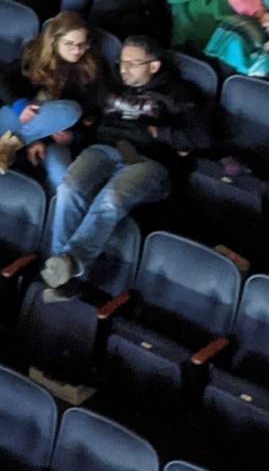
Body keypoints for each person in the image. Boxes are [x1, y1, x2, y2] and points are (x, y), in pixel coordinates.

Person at [41, 34, 209, 291]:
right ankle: (62, 268)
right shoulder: (110, 84)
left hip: (149, 161)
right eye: (122, 62)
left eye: (133, 63)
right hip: (106, 149)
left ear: (154, 66)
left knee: (112, 198)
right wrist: (74, 132)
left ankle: (68, 267)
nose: (124, 69)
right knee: (69, 188)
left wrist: (158, 133)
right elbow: (89, 114)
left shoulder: (178, 93)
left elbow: (202, 137)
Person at [0, 12, 105, 183]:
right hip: (16, 119)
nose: (77, 50)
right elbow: (1, 84)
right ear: (54, 42)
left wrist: (72, 136)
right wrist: (20, 108)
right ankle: (16, 144)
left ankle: (10, 146)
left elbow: (93, 114)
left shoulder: (90, 69)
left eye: (82, 44)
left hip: (53, 138)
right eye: (69, 44)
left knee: (70, 114)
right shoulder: (33, 55)